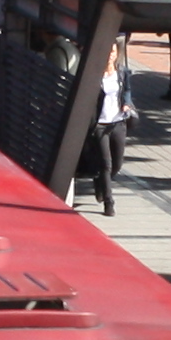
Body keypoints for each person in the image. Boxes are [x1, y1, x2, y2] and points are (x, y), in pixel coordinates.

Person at [72, 43, 131, 214]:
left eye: (112, 51)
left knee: (117, 164)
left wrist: (126, 104)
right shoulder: (94, 75)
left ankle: (100, 183)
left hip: (118, 123)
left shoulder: (122, 72)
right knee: (106, 164)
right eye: (107, 51)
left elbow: (127, 90)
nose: (110, 55)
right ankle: (108, 201)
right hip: (99, 125)